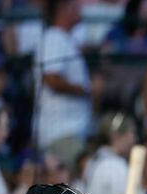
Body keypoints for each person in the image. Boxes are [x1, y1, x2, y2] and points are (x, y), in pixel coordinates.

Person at [33, 0, 92, 166]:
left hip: (70, 131)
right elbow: (51, 78)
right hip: (59, 132)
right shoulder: (53, 37)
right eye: (75, 5)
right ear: (63, 8)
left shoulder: (65, 39)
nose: (80, 9)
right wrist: (83, 89)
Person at [81, 112, 137, 194]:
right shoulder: (116, 165)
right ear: (116, 136)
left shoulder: (93, 160)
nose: (134, 139)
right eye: (131, 133)